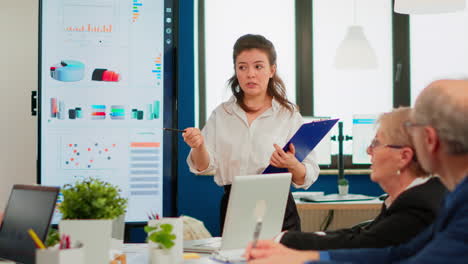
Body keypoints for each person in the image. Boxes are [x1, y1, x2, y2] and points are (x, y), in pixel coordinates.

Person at [246, 79, 468, 264]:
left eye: (414, 127)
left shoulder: (446, 201)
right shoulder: (455, 196)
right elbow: (400, 253)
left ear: (429, 139)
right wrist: (305, 257)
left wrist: (302, 257)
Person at [182, 34, 320, 233]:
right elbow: (202, 166)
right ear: (236, 71)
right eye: (242, 67)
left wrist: (292, 164)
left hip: (279, 207)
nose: (250, 74)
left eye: (258, 66)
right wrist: (198, 146)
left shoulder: (288, 115)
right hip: (235, 205)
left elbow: (306, 176)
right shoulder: (222, 114)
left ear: (272, 70)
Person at [279, 107, 447, 251]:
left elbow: (365, 244)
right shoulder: (413, 196)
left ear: (404, 156)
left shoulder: (418, 205)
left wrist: (285, 241)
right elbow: (361, 236)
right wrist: (290, 240)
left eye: (376, 143)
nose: (368, 150)